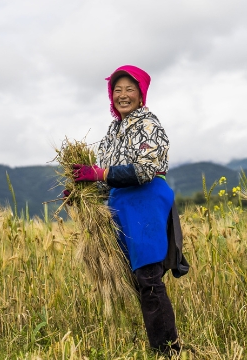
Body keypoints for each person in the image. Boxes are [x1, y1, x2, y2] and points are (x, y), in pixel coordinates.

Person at [70, 65, 188, 354]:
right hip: (123, 205)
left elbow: (145, 169)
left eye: (130, 89)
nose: (123, 95)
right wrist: (80, 192)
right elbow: (108, 178)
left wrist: (99, 174)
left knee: (148, 277)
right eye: (117, 90)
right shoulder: (113, 130)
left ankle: (168, 350)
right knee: (139, 280)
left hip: (145, 202)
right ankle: (162, 345)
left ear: (141, 93)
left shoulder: (148, 124)